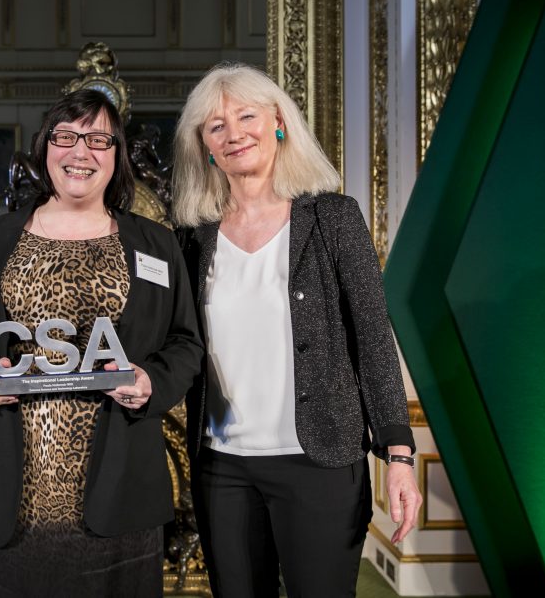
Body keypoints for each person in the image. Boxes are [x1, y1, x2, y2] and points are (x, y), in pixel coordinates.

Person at [0, 89, 203, 597]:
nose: (82, 151)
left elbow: (186, 342)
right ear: (45, 148)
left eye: (99, 139)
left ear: (117, 155)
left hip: (121, 492)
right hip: (6, 493)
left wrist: (152, 381)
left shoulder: (157, 244)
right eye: (67, 136)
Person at [172, 62, 422, 597]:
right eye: (216, 126)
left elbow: (374, 338)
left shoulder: (334, 218)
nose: (234, 133)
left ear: (279, 123)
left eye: (246, 116)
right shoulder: (192, 239)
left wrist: (399, 456)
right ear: (205, 147)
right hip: (223, 469)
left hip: (321, 462)